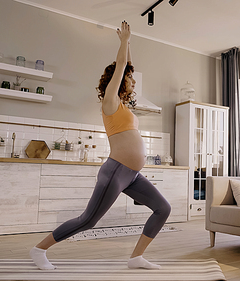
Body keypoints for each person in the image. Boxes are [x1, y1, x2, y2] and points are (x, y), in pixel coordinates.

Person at [29, 21, 171, 270]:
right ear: (114, 80)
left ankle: (136, 257)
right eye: (127, 78)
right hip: (116, 172)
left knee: (162, 208)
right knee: (88, 220)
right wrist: (124, 42)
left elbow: (129, 67)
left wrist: (130, 46)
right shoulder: (110, 102)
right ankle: (39, 249)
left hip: (133, 175)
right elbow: (121, 69)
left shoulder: (125, 107)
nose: (131, 81)